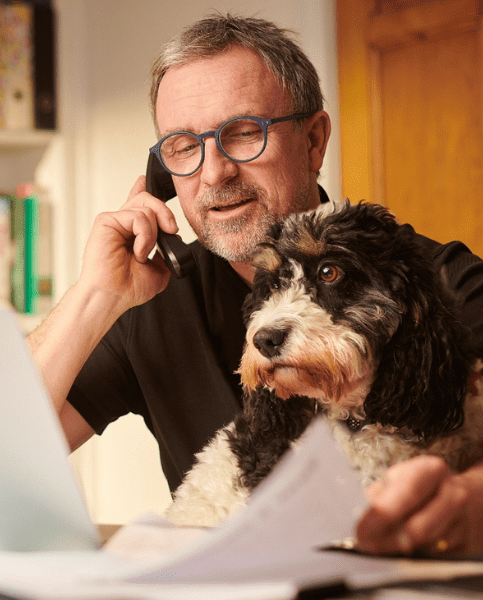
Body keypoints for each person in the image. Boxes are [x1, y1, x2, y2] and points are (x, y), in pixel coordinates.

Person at [27, 14, 483, 556]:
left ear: (314, 141)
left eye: (244, 133)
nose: (214, 173)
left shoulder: (441, 282)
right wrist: (94, 296)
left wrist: (467, 498)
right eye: (182, 147)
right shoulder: (149, 297)